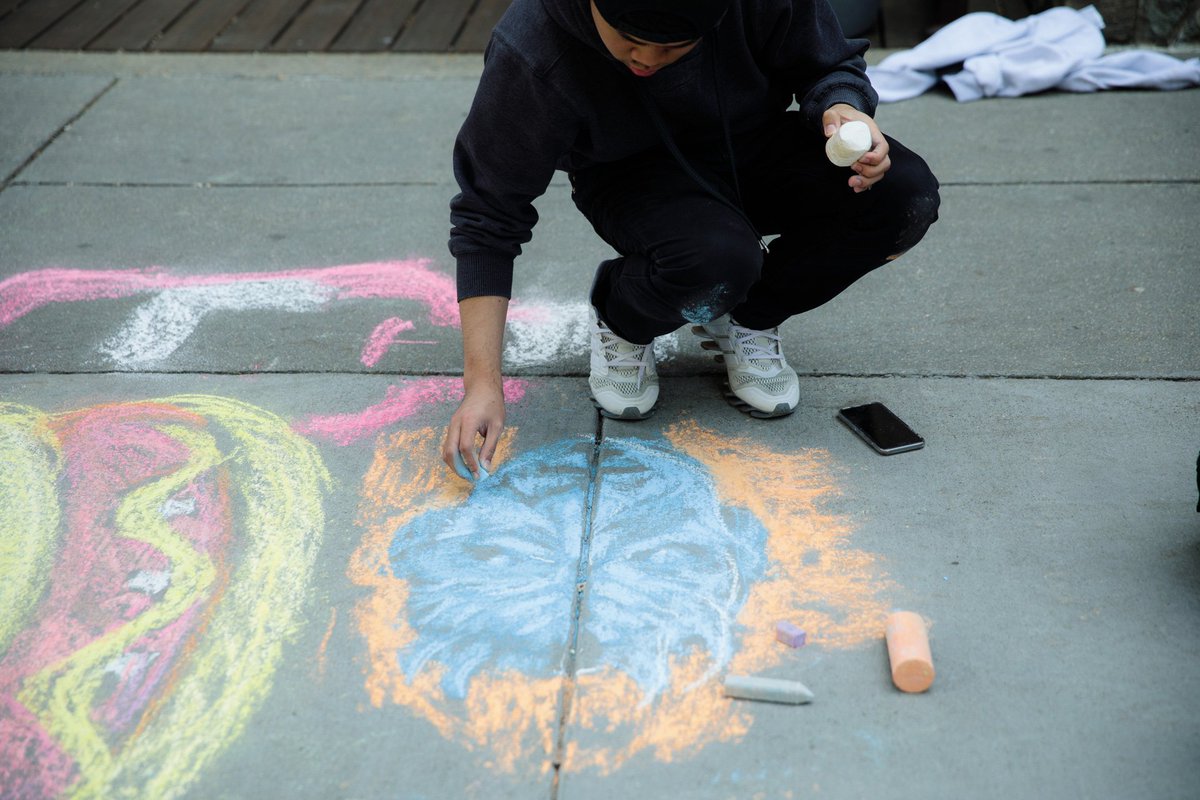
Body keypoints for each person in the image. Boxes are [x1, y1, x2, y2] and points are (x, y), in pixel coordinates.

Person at [442, 0, 940, 478]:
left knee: (903, 196)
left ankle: (749, 318)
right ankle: (623, 313)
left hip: (750, 142)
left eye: (675, 46)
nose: (647, 59)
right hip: (630, 176)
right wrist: (482, 386)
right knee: (714, 262)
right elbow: (489, 212)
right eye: (632, 40)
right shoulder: (532, 48)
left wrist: (843, 106)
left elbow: (829, 62)